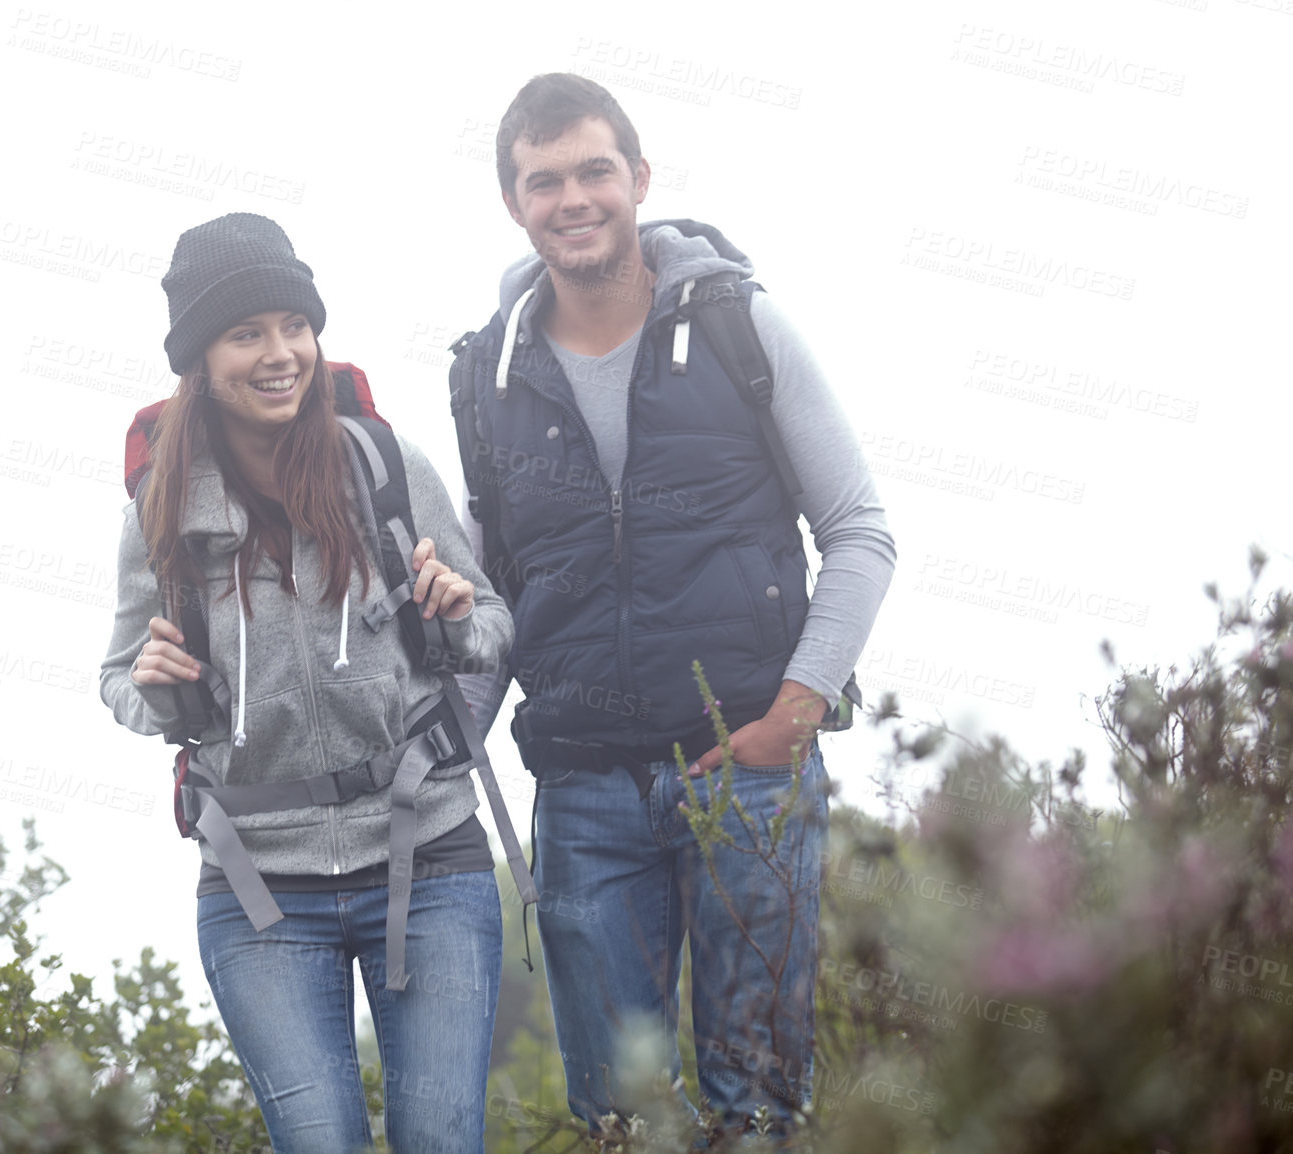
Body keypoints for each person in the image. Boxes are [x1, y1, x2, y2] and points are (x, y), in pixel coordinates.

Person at [449, 75, 897, 1139]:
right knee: (622, 1120)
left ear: (638, 179)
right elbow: (493, 597)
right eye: (542, 179)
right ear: (515, 202)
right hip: (583, 795)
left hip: (746, 774)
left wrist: (789, 717)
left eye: (594, 170)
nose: (573, 197)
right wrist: (441, 768)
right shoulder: (485, 378)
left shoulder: (741, 324)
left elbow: (859, 531)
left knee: (759, 1108)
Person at [99, 213, 515, 1152]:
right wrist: (159, 686)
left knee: (441, 1142)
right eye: (246, 333)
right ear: (200, 360)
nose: (279, 354)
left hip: (428, 857)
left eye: (294, 325)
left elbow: (492, 621)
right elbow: (122, 679)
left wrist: (456, 617)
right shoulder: (161, 513)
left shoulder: (384, 466)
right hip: (256, 888)